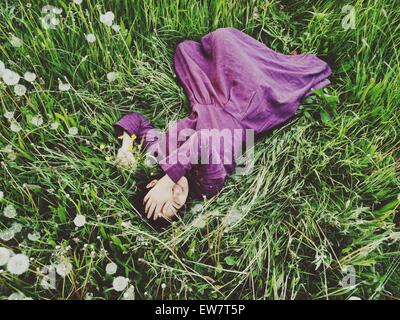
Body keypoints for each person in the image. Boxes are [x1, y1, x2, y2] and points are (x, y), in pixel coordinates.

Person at [114, 27, 332, 230]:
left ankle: (256, 64)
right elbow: (203, 143)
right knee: (224, 38)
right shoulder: (206, 185)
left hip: (206, 98)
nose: (177, 197)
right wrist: (169, 179)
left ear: (153, 185)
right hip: (242, 110)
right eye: (176, 208)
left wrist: (126, 146)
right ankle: (286, 64)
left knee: (185, 50)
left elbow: (138, 122)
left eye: (165, 199)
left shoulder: (159, 155)